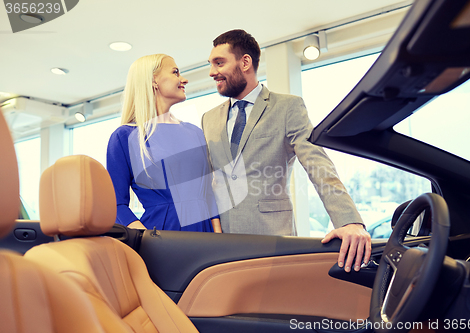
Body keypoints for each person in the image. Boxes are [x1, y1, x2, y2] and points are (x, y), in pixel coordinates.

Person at [203, 30, 371, 272]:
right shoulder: (208, 119)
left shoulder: (287, 107)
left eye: (219, 63)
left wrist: (349, 221)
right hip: (222, 247)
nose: (212, 72)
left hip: (273, 241)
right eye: (211, 64)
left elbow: (318, 164)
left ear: (245, 62)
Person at [107, 54, 221, 233]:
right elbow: (116, 204)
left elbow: (208, 193)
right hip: (161, 236)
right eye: (175, 72)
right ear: (154, 81)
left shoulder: (195, 132)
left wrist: (218, 236)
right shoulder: (125, 136)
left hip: (205, 235)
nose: (184, 79)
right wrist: (147, 240)